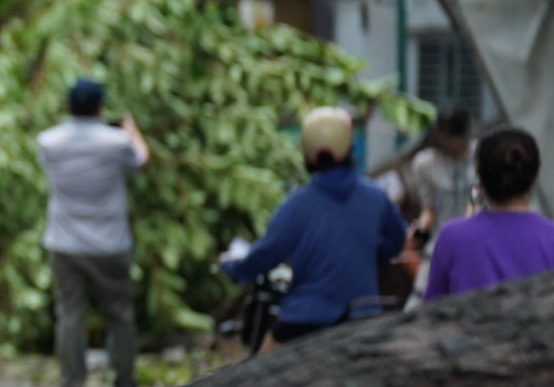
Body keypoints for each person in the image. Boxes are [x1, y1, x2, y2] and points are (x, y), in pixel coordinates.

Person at [222, 107, 408, 345]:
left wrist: (234, 266)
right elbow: (397, 241)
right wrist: (366, 249)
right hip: (363, 315)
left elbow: (267, 253)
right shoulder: (376, 197)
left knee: (257, 371)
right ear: (350, 148)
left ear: (307, 155)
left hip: (305, 320)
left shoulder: (296, 204)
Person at [38, 79, 152, 387]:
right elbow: (142, 161)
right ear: (101, 107)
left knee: (70, 314)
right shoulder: (116, 143)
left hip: (64, 242)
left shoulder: (49, 142)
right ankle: (125, 385)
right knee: (119, 314)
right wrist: (132, 130)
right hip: (110, 243)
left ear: (67, 106)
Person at [424, 127, 554, 300]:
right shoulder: (550, 236)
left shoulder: (452, 237)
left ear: (479, 175)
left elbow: (430, 314)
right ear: (536, 173)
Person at [409, 106, 477, 245]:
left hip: (477, 239)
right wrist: (419, 230)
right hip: (443, 240)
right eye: (450, 142)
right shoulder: (425, 163)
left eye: (460, 142)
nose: (456, 148)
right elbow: (429, 209)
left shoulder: (483, 155)